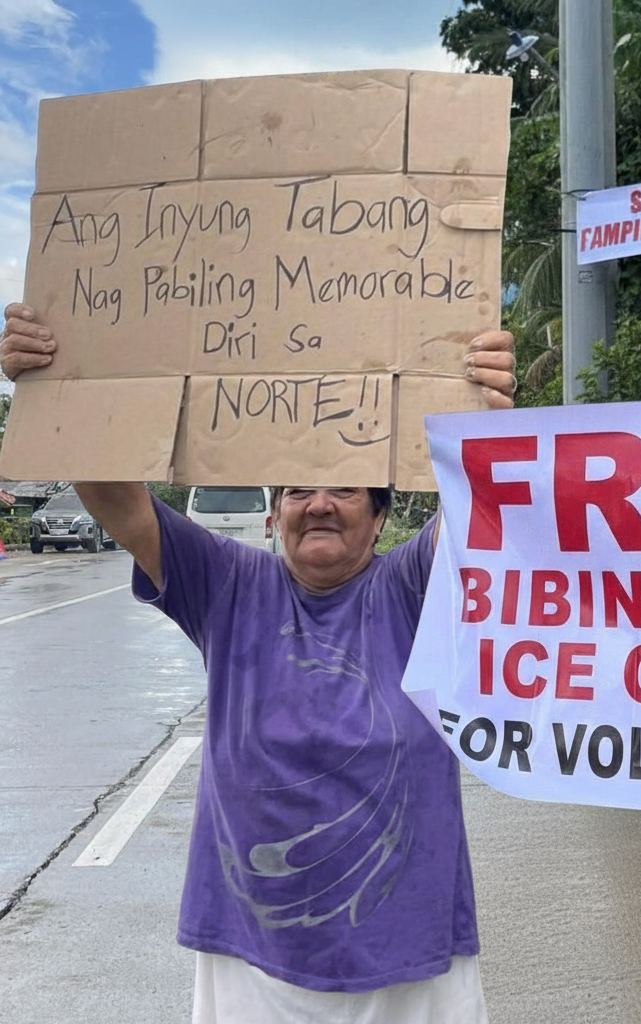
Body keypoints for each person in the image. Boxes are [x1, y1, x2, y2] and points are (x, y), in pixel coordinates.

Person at [0, 302, 516, 1024]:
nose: (321, 504)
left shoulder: (413, 587)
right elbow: (114, 497)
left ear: (380, 514)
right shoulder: (229, 585)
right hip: (252, 961)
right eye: (299, 489)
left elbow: (483, 502)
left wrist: (484, 410)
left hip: (410, 959)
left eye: (345, 488)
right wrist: (60, 385)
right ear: (273, 514)